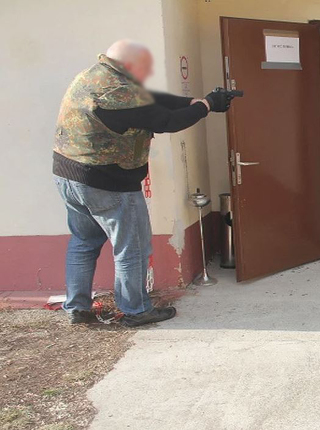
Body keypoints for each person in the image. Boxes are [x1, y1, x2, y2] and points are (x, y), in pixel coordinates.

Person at [53, 40, 233, 327]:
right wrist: (207, 105)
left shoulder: (94, 75)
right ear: (129, 64)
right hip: (108, 182)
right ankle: (136, 311)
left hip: (68, 175)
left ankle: (77, 307)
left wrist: (192, 102)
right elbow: (166, 121)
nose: (147, 72)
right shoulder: (118, 93)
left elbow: (148, 97)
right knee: (132, 248)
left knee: (84, 242)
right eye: (144, 66)